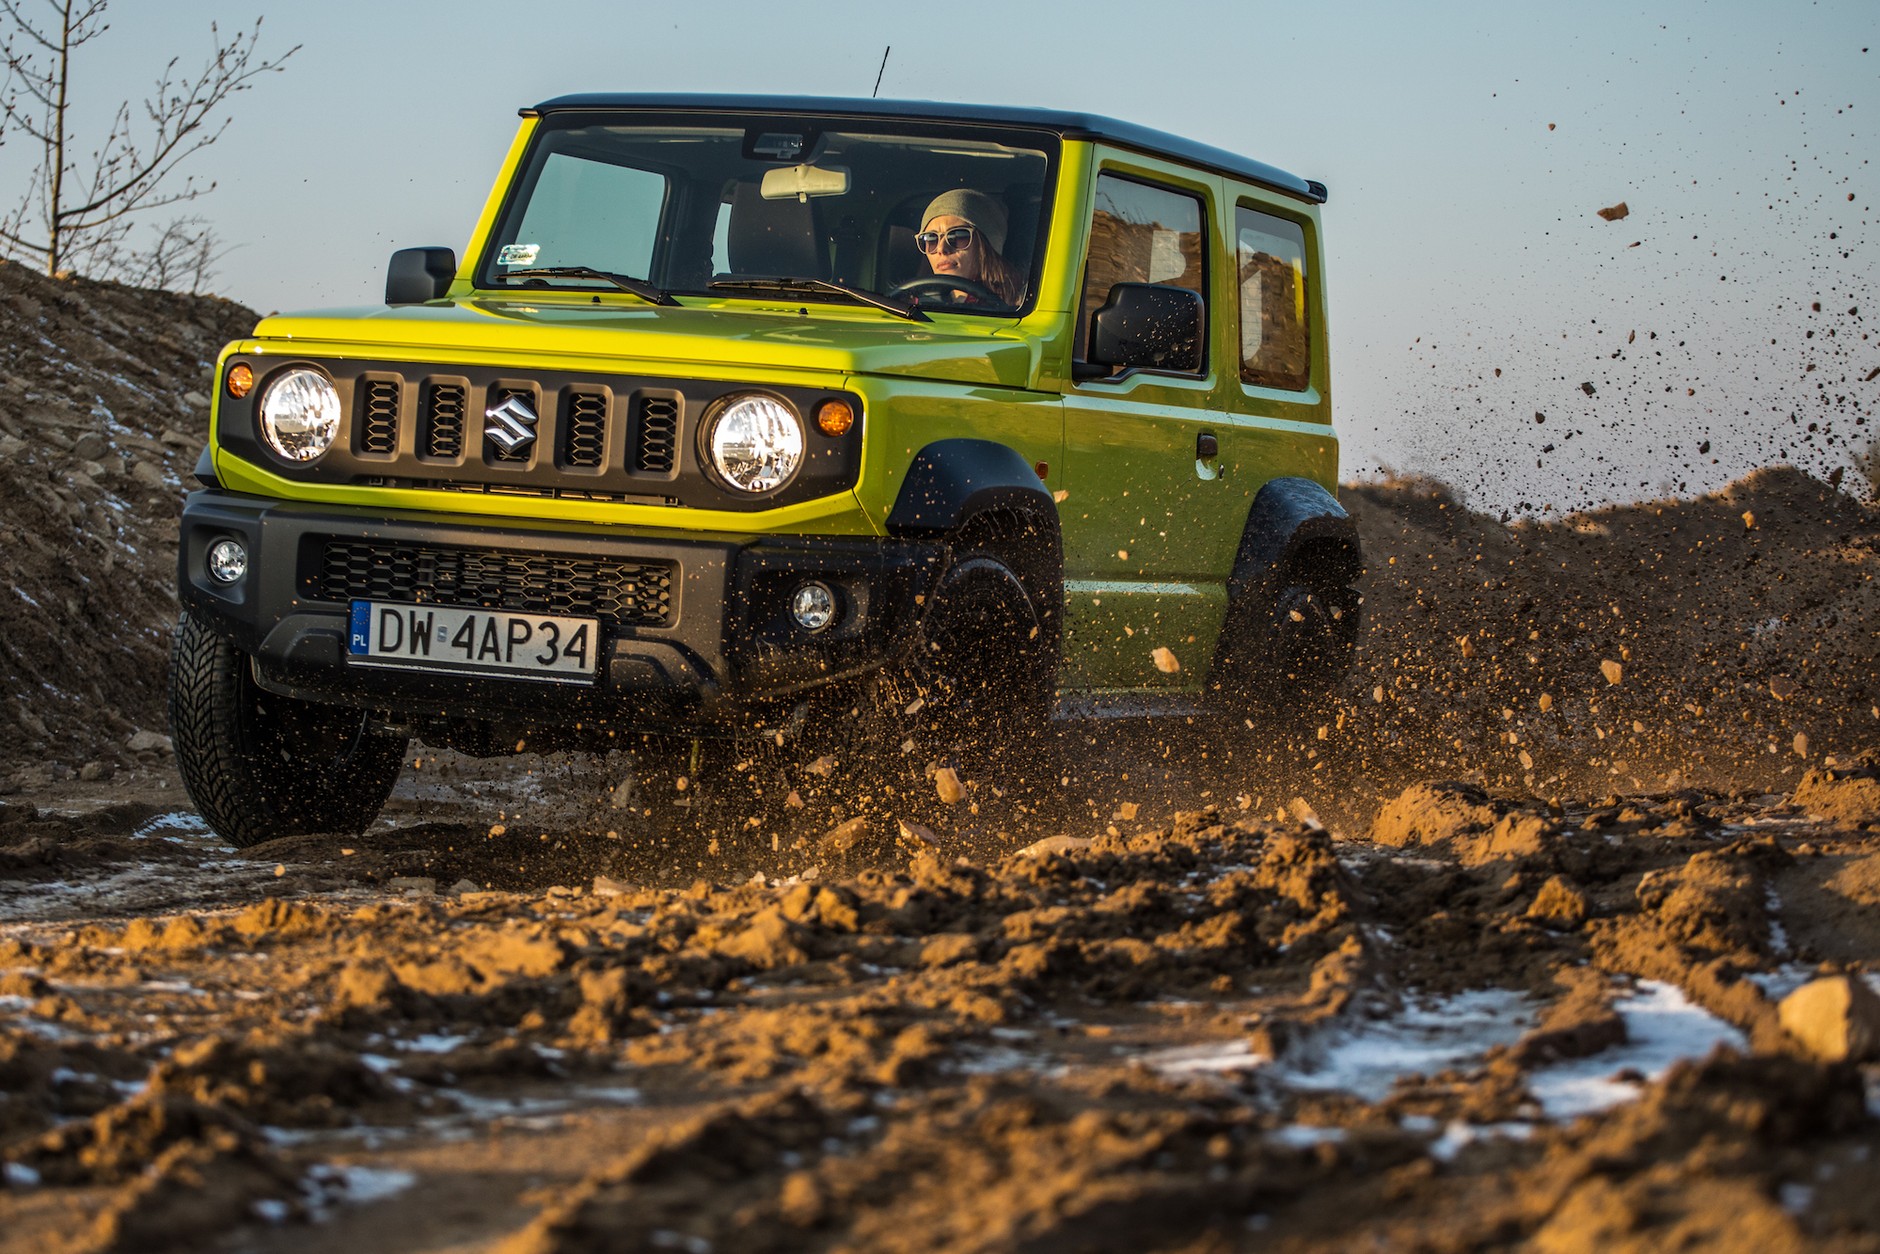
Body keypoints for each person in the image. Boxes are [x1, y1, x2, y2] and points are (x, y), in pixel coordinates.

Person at [916, 189, 1025, 306]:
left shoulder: (1022, 306)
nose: (941, 249)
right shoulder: (910, 305)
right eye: (931, 239)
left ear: (986, 243)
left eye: (958, 236)